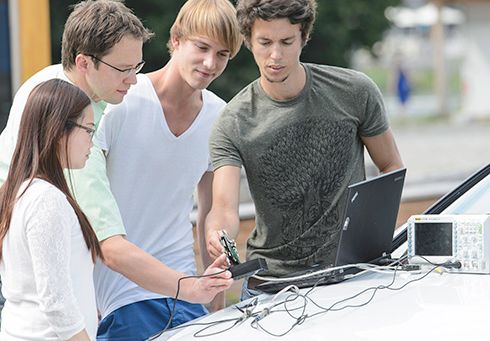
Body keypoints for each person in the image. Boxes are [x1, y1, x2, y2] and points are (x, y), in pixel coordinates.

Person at [0, 0, 232, 323]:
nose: (134, 80)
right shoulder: (63, 113)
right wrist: (191, 288)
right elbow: (109, 246)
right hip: (46, 303)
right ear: (84, 63)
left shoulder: (89, 103)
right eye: (124, 70)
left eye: (136, 68)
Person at [205, 0, 404, 300]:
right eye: (265, 42)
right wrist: (219, 236)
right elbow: (223, 209)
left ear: (303, 37)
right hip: (271, 287)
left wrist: (370, 236)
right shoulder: (232, 123)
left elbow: (391, 167)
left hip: (353, 274)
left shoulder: (355, 91)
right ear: (248, 41)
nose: (275, 55)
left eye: (286, 42)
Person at [94, 0, 242, 338]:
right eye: (202, 47)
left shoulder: (219, 116)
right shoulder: (122, 102)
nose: (210, 63)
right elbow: (86, 205)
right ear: (176, 39)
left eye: (222, 54)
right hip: (122, 293)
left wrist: (215, 293)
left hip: (187, 288)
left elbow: (211, 211)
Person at [0, 79, 101, 340]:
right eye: (89, 130)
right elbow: (56, 301)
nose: (93, 141)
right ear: (59, 131)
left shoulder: (21, 191)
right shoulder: (46, 199)